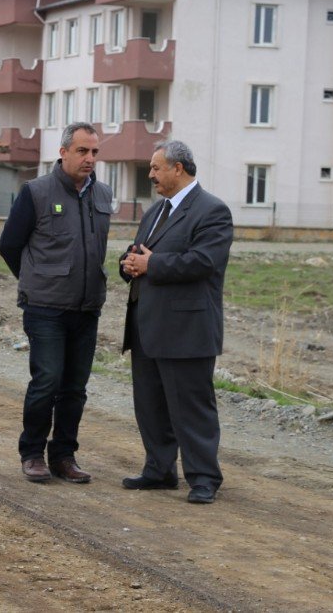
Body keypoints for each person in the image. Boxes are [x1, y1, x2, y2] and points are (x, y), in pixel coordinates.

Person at [118, 139, 233, 504]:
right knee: (150, 404)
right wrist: (130, 262)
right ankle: (159, 470)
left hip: (187, 329)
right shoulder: (155, 211)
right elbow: (141, 252)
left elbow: (203, 262)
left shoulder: (212, 211)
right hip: (148, 325)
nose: (150, 174)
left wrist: (152, 264)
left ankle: (203, 478)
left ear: (177, 169)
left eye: (155, 168)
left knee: (191, 408)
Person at [0, 122, 112, 484]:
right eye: (82, 151)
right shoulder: (36, 192)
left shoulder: (103, 195)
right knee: (47, 380)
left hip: (86, 307)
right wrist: (36, 280)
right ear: (63, 152)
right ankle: (32, 452)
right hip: (45, 308)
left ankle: (64, 456)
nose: (89, 158)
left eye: (94, 151)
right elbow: (9, 245)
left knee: (74, 388)